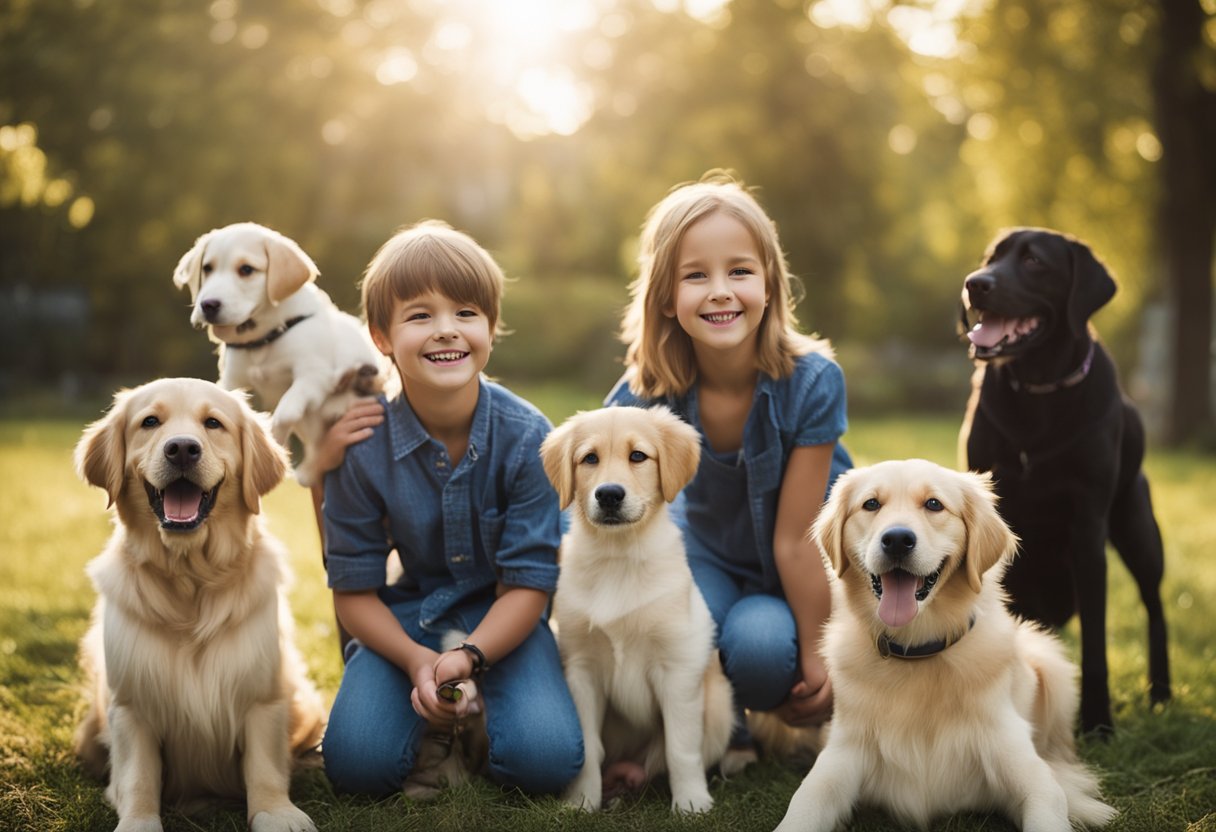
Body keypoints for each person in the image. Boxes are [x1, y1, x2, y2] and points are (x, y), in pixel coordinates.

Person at [321, 220, 583, 797]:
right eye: (420, 315)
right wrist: (417, 660)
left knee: (545, 764)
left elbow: (530, 586)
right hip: (407, 618)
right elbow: (354, 592)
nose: (446, 331)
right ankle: (437, 722)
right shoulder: (361, 445)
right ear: (382, 336)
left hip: (505, 624)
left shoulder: (527, 439)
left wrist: (470, 656)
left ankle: (474, 720)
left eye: (466, 312)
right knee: (356, 768)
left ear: (491, 326)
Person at [605, 171, 853, 759]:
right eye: (696, 276)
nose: (720, 290)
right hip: (703, 560)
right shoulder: (645, 393)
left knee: (763, 651)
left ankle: (751, 714)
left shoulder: (813, 381)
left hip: (786, 570)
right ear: (667, 297)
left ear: (769, 285)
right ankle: (719, 733)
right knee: (680, 636)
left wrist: (819, 658)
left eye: (739, 271)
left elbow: (796, 542)